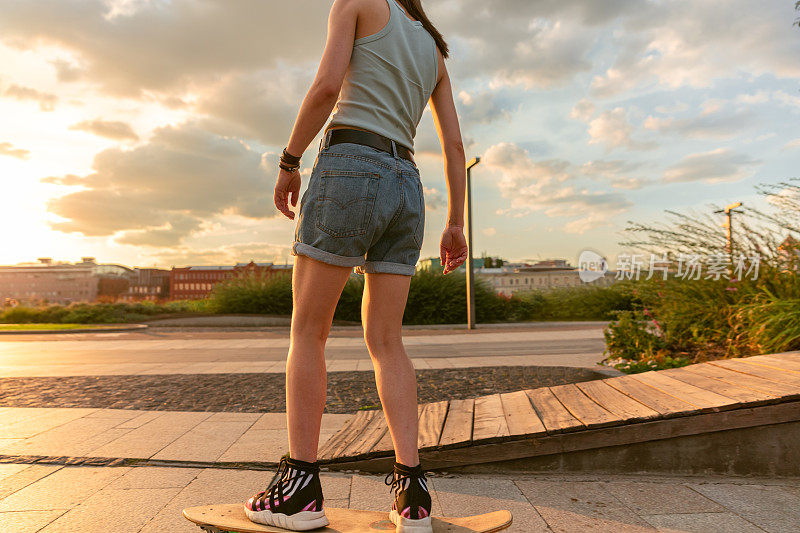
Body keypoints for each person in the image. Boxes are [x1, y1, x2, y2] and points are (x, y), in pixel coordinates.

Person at [244, 0, 467, 531]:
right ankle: (412, 494)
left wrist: (288, 161)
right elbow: (454, 144)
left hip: (350, 165)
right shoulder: (433, 47)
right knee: (387, 341)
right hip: (407, 183)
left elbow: (325, 88)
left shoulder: (355, 3)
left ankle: (299, 488)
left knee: (308, 330)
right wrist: (456, 223)